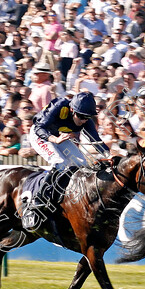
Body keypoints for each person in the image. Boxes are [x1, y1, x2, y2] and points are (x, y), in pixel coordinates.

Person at [22, 91, 109, 230]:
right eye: (81, 116)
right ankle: (37, 200)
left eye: (87, 117)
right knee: (59, 162)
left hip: (59, 136)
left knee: (82, 164)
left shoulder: (86, 121)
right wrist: (54, 139)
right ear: (72, 109)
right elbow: (39, 128)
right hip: (41, 134)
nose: (83, 121)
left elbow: (97, 141)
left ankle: (68, 198)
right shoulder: (60, 105)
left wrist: (109, 156)